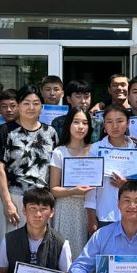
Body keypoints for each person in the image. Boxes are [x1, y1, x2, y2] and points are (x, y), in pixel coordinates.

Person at [0, 85, 58, 273]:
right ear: (18, 105)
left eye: (36, 103)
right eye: (26, 103)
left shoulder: (51, 132)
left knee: (36, 250)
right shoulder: (6, 131)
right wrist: (8, 203)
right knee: (5, 250)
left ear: (42, 106)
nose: (31, 107)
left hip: (40, 201)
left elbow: (54, 167)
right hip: (12, 198)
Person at [49, 107, 95, 258]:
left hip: (89, 208)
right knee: (66, 255)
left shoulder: (95, 150)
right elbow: (53, 189)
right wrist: (74, 191)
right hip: (66, 208)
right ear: (68, 124)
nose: (81, 127)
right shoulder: (59, 152)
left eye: (85, 123)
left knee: (87, 254)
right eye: (76, 122)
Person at [86, 104, 136, 232]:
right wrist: (91, 217)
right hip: (103, 214)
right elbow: (91, 187)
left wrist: (126, 185)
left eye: (120, 121)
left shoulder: (136, 149)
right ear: (104, 124)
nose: (115, 126)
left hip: (132, 214)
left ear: (128, 123)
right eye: (109, 122)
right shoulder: (95, 149)